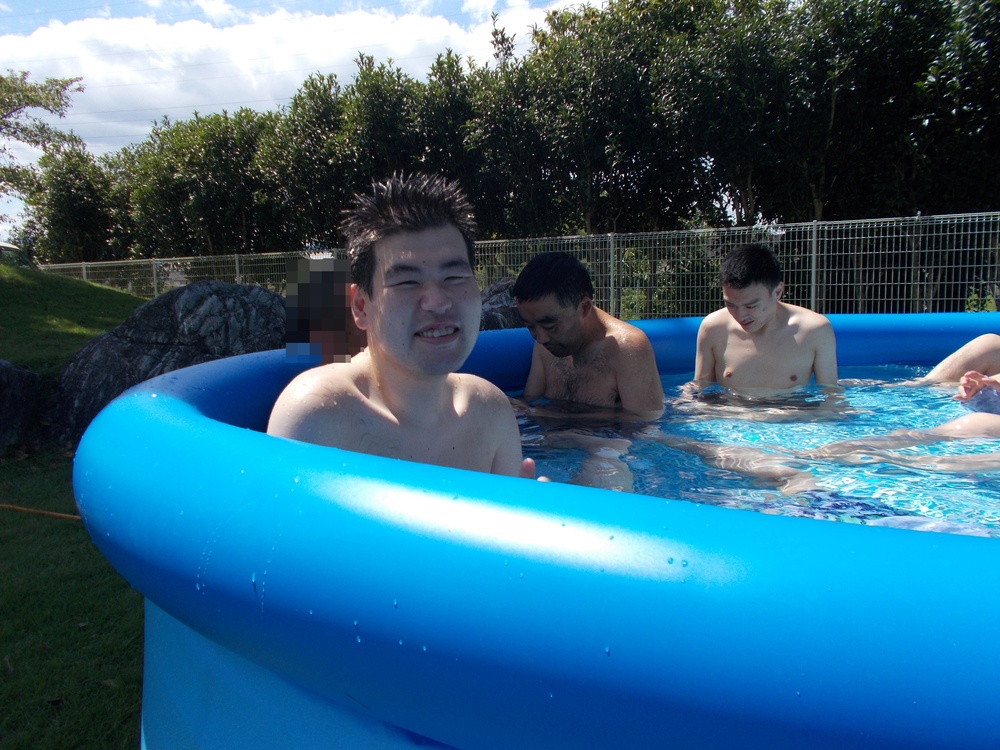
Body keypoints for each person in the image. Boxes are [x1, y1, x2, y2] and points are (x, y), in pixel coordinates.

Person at [267, 173, 536, 479]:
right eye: (407, 282)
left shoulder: (490, 412)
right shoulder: (319, 417)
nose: (438, 302)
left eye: (454, 277)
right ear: (361, 306)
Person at [511, 251, 664, 419]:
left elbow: (644, 423)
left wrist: (554, 417)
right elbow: (530, 402)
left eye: (550, 326)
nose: (540, 338)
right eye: (530, 326)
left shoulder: (626, 348)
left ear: (584, 308)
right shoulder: (544, 345)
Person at [694, 243, 838, 392]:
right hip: (731, 407)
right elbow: (700, 390)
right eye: (730, 304)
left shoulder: (815, 330)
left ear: (777, 292)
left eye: (751, 306)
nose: (740, 315)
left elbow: (830, 394)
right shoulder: (713, 328)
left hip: (791, 407)